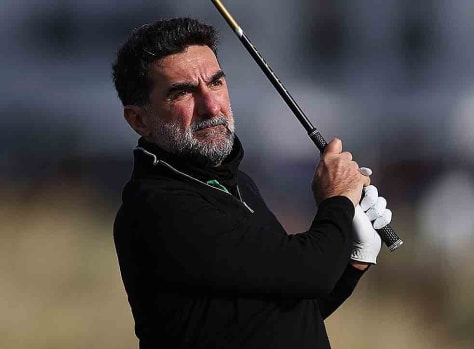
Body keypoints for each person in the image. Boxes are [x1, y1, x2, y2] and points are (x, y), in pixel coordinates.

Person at [112, 17, 391, 349]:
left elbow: (284, 313)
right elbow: (309, 272)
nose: (211, 106)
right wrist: (337, 202)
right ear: (139, 119)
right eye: (182, 92)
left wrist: (354, 261)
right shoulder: (158, 205)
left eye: (216, 83)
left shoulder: (235, 183)